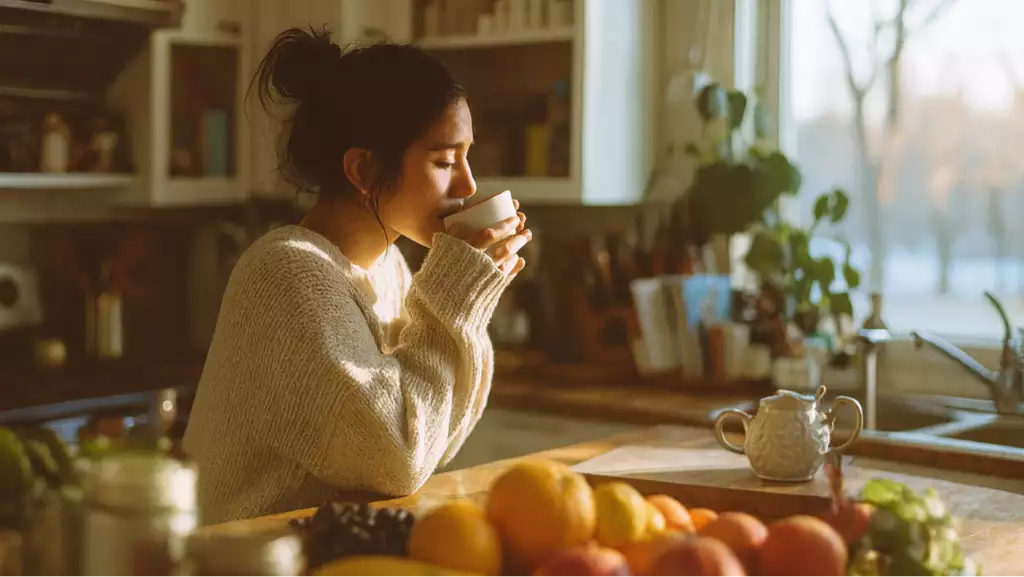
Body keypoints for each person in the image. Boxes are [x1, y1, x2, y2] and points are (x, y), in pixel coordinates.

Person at [182, 26, 532, 524]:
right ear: (364, 171)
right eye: (444, 160)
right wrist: (454, 299)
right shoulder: (287, 274)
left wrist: (470, 305)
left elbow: (437, 441)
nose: (468, 183)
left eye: (467, 156)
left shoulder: (387, 268)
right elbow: (398, 459)